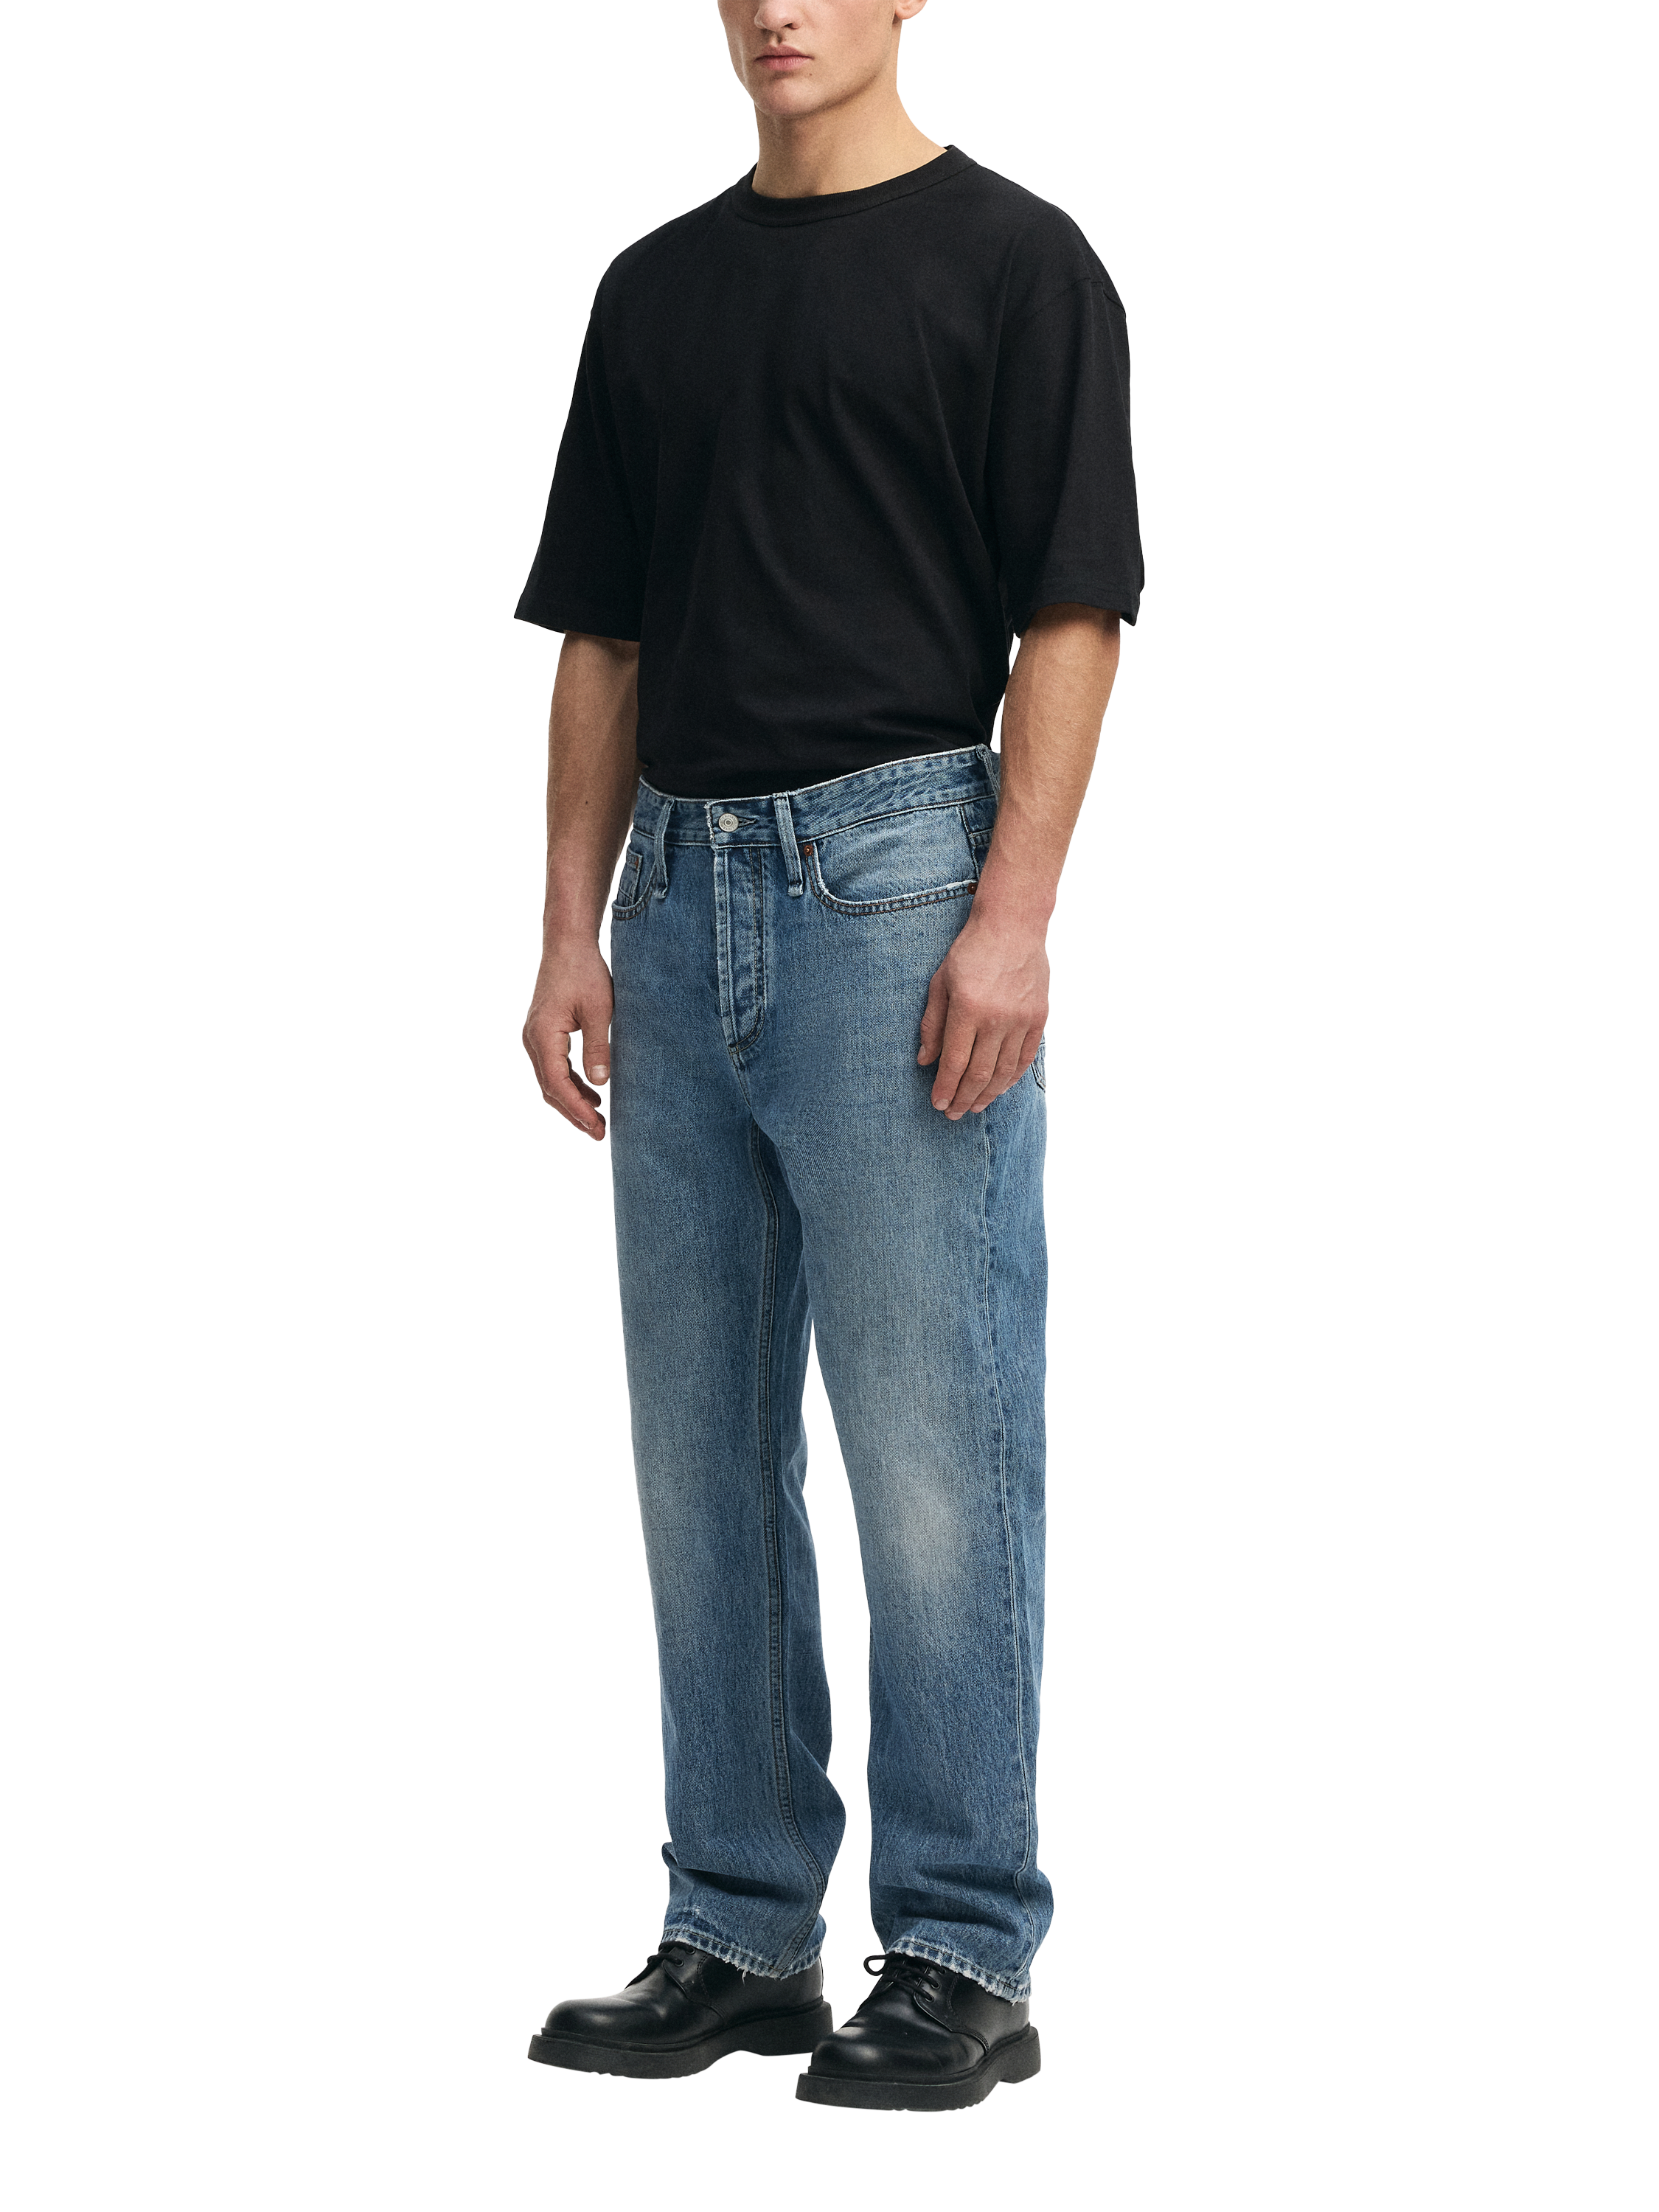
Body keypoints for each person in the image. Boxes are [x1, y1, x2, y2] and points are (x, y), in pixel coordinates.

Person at [516, 0, 1141, 2114]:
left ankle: (963, 1949)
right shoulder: (655, 291)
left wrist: (1013, 917)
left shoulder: (1019, 264)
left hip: (898, 886)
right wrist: (571, 928)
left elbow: (1072, 614)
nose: (776, 8)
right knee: (700, 1453)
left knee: (937, 1450)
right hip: (677, 897)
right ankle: (741, 1925)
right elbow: (604, 632)